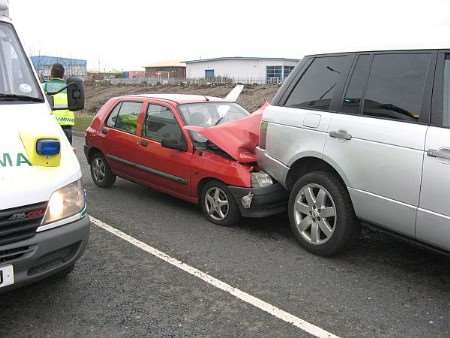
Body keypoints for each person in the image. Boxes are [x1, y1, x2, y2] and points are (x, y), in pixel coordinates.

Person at [43, 64, 75, 144]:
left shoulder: (44, 86)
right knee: (67, 152)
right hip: (66, 126)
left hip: (49, 124)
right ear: (63, 74)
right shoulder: (69, 88)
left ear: (51, 73)